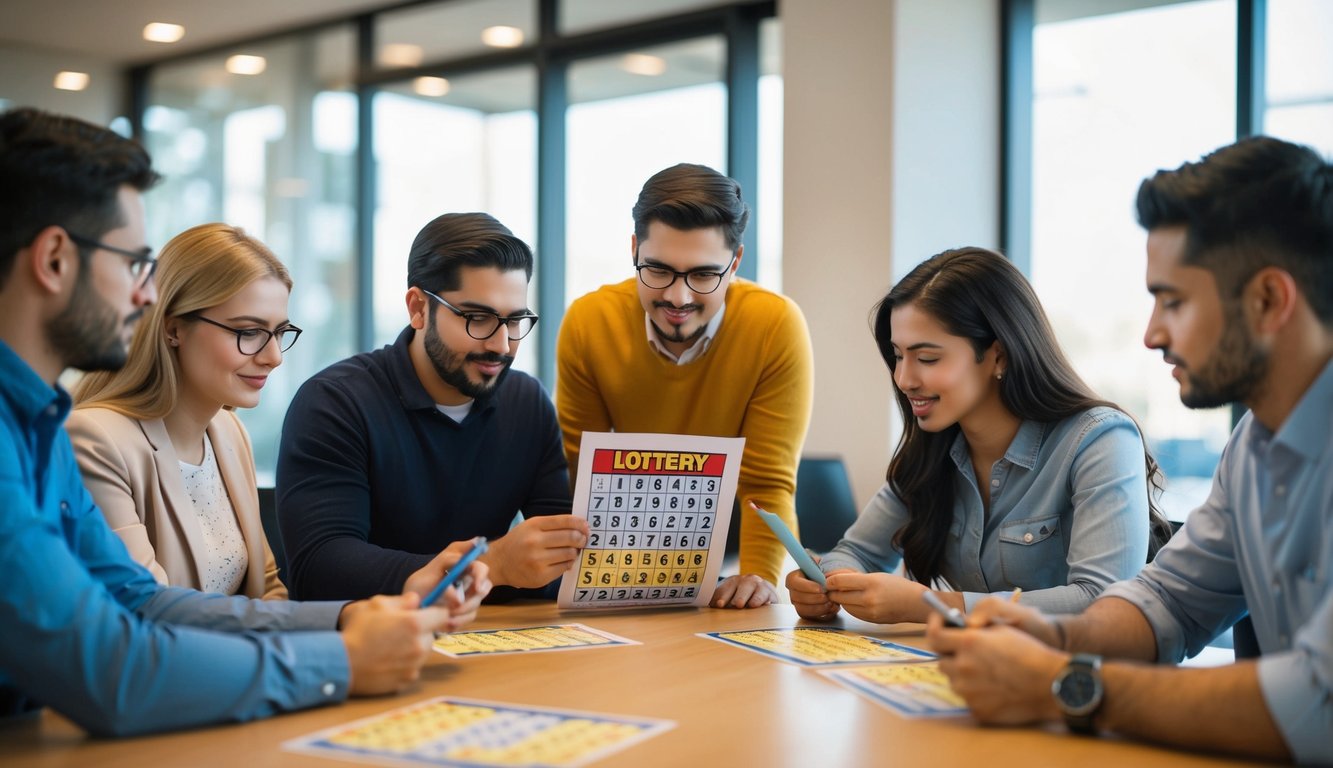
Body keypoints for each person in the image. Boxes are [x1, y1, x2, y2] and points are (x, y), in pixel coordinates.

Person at [0, 107, 489, 737]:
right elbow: (113, 666)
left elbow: (138, 599)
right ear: (55, 259)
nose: (146, 295)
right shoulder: (56, 434)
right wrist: (340, 659)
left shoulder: (39, 425)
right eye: (133, 264)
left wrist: (354, 621)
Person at [927, 137, 1332, 764]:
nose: (1152, 334)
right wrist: (1053, 635)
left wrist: (1063, 686)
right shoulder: (1253, 445)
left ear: (1269, 301)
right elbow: (1168, 602)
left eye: (1173, 301)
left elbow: (1318, 704)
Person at [787, 247, 1171, 624]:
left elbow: (1104, 603)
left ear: (998, 356)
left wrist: (932, 604)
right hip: (969, 674)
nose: (904, 380)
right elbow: (855, 552)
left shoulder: (1099, 439)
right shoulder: (931, 452)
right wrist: (826, 584)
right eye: (898, 356)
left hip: (1082, 680)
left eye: (927, 358)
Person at [277, 212, 586, 602]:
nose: (502, 345)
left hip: (493, 635)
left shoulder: (526, 403)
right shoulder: (335, 403)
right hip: (369, 643)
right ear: (418, 307)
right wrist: (490, 566)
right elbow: (319, 568)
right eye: (477, 318)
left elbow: (561, 559)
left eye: (514, 321)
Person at [557, 163, 814, 608]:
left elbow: (766, 484)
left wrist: (758, 577)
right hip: (615, 565)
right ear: (634, 248)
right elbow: (580, 476)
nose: (678, 298)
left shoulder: (774, 325)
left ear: (734, 263)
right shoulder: (588, 321)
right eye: (657, 270)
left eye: (702, 275)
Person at [66, 224, 296, 599]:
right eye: (249, 332)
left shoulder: (229, 431)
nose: (273, 357)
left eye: (280, 332)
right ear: (174, 328)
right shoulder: (94, 439)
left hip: (239, 654)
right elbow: (150, 609)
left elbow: (267, 587)